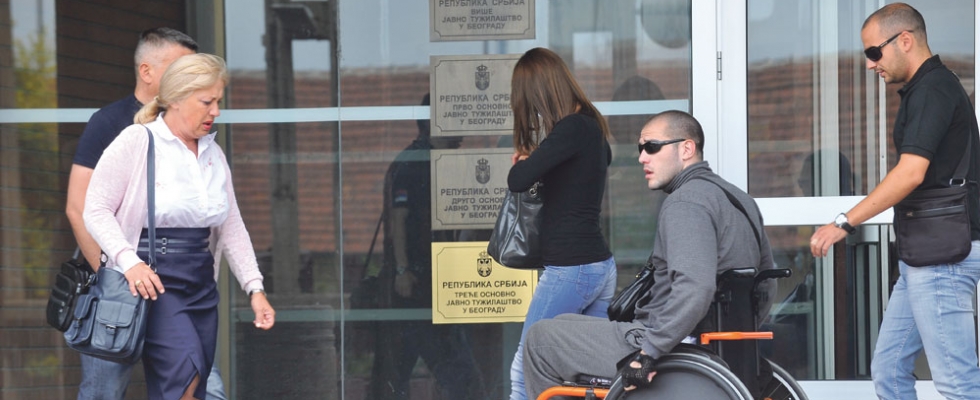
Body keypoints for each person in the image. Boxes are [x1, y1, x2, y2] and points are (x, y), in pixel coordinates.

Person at [521, 110, 775, 399]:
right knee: (563, 323)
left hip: (670, 344)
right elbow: (766, 283)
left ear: (686, 149)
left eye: (652, 147)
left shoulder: (686, 203)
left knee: (540, 340)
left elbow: (695, 287)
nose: (642, 157)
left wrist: (649, 352)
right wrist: (737, 339)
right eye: (640, 149)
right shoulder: (740, 200)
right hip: (704, 342)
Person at [810, 3, 980, 399]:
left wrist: (843, 222)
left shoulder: (933, 88)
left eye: (874, 52)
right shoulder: (926, 89)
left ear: (905, 40)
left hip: (941, 260)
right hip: (925, 256)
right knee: (889, 371)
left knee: (957, 384)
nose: (870, 64)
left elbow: (910, 172)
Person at [83, 53, 276, 400]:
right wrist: (130, 262)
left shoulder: (213, 153)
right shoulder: (138, 140)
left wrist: (255, 289)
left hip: (200, 282)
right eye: (206, 101)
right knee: (185, 379)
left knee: (195, 384)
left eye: (218, 101)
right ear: (175, 98)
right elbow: (95, 209)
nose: (216, 111)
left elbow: (232, 226)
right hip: (155, 280)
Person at [64, 28, 230, 400]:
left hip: (177, 292)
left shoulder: (194, 127)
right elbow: (79, 207)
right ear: (147, 71)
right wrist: (117, 277)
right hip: (119, 289)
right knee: (103, 392)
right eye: (180, 67)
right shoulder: (110, 122)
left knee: (203, 387)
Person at [506, 47, 618, 400]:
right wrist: (540, 161)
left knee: (524, 367)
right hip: (598, 266)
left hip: (572, 268)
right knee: (587, 377)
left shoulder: (571, 127)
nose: (533, 111)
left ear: (540, 92)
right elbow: (575, 176)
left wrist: (526, 162)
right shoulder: (591, 125)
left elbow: (518, 179)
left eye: (530, 102)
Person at [366, 93, 485, 400]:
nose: (462, 132)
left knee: (403, 371)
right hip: (416, 284)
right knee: (453, 371)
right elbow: (398, 219)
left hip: (433, 282)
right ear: (435, 123)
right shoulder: (414, 163)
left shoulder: (439, 162)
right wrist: (403, 270)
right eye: (456, 120)